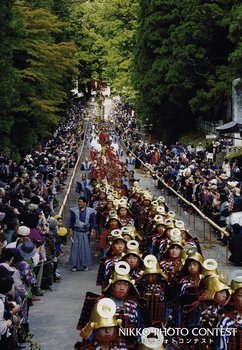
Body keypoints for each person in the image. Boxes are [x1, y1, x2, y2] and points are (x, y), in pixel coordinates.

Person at [67, 196, 96, 272]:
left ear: (85, 203)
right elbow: (71, 221)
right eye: (78, 202)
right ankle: (74, 265)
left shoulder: (91, 211)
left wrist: (92, 231)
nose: (79, 203)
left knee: (85, 248)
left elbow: (92, 222)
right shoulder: (74, 211)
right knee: (75, 248)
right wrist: (70, 230)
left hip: (85, 232)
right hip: (76, 232)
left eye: (81, 202)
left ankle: (85, 265)